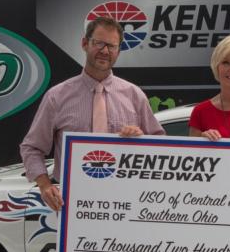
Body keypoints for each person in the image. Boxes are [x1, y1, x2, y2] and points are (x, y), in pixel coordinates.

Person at [20, 17, 165, 211]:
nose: (105, 51)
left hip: (125, 201)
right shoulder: (57, 97)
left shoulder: (134, 95)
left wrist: (141, 140)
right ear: (85, 43)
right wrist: (45, 185)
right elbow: (31, 148)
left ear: (118, 51)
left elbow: (161, 146)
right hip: (71, 203)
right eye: (99, 43)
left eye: (112, 46)